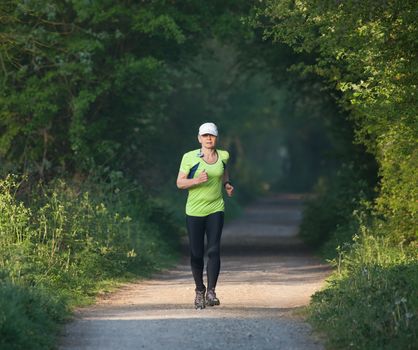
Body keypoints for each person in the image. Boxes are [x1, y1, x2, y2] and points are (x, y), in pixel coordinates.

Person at [176, 122, 234, 309]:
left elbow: (223, 171)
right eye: (205, 135)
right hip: (194, 211)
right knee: (196, 253)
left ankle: (211, 291)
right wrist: (196, 180)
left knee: (214, 250)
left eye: (212, 135)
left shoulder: (223, 155)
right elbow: (180, 183)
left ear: (216, 138)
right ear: (199, 138)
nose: (209, 138)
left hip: (216, 208)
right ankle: (199, 290)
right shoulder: (189, 157)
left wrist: (227, 184)